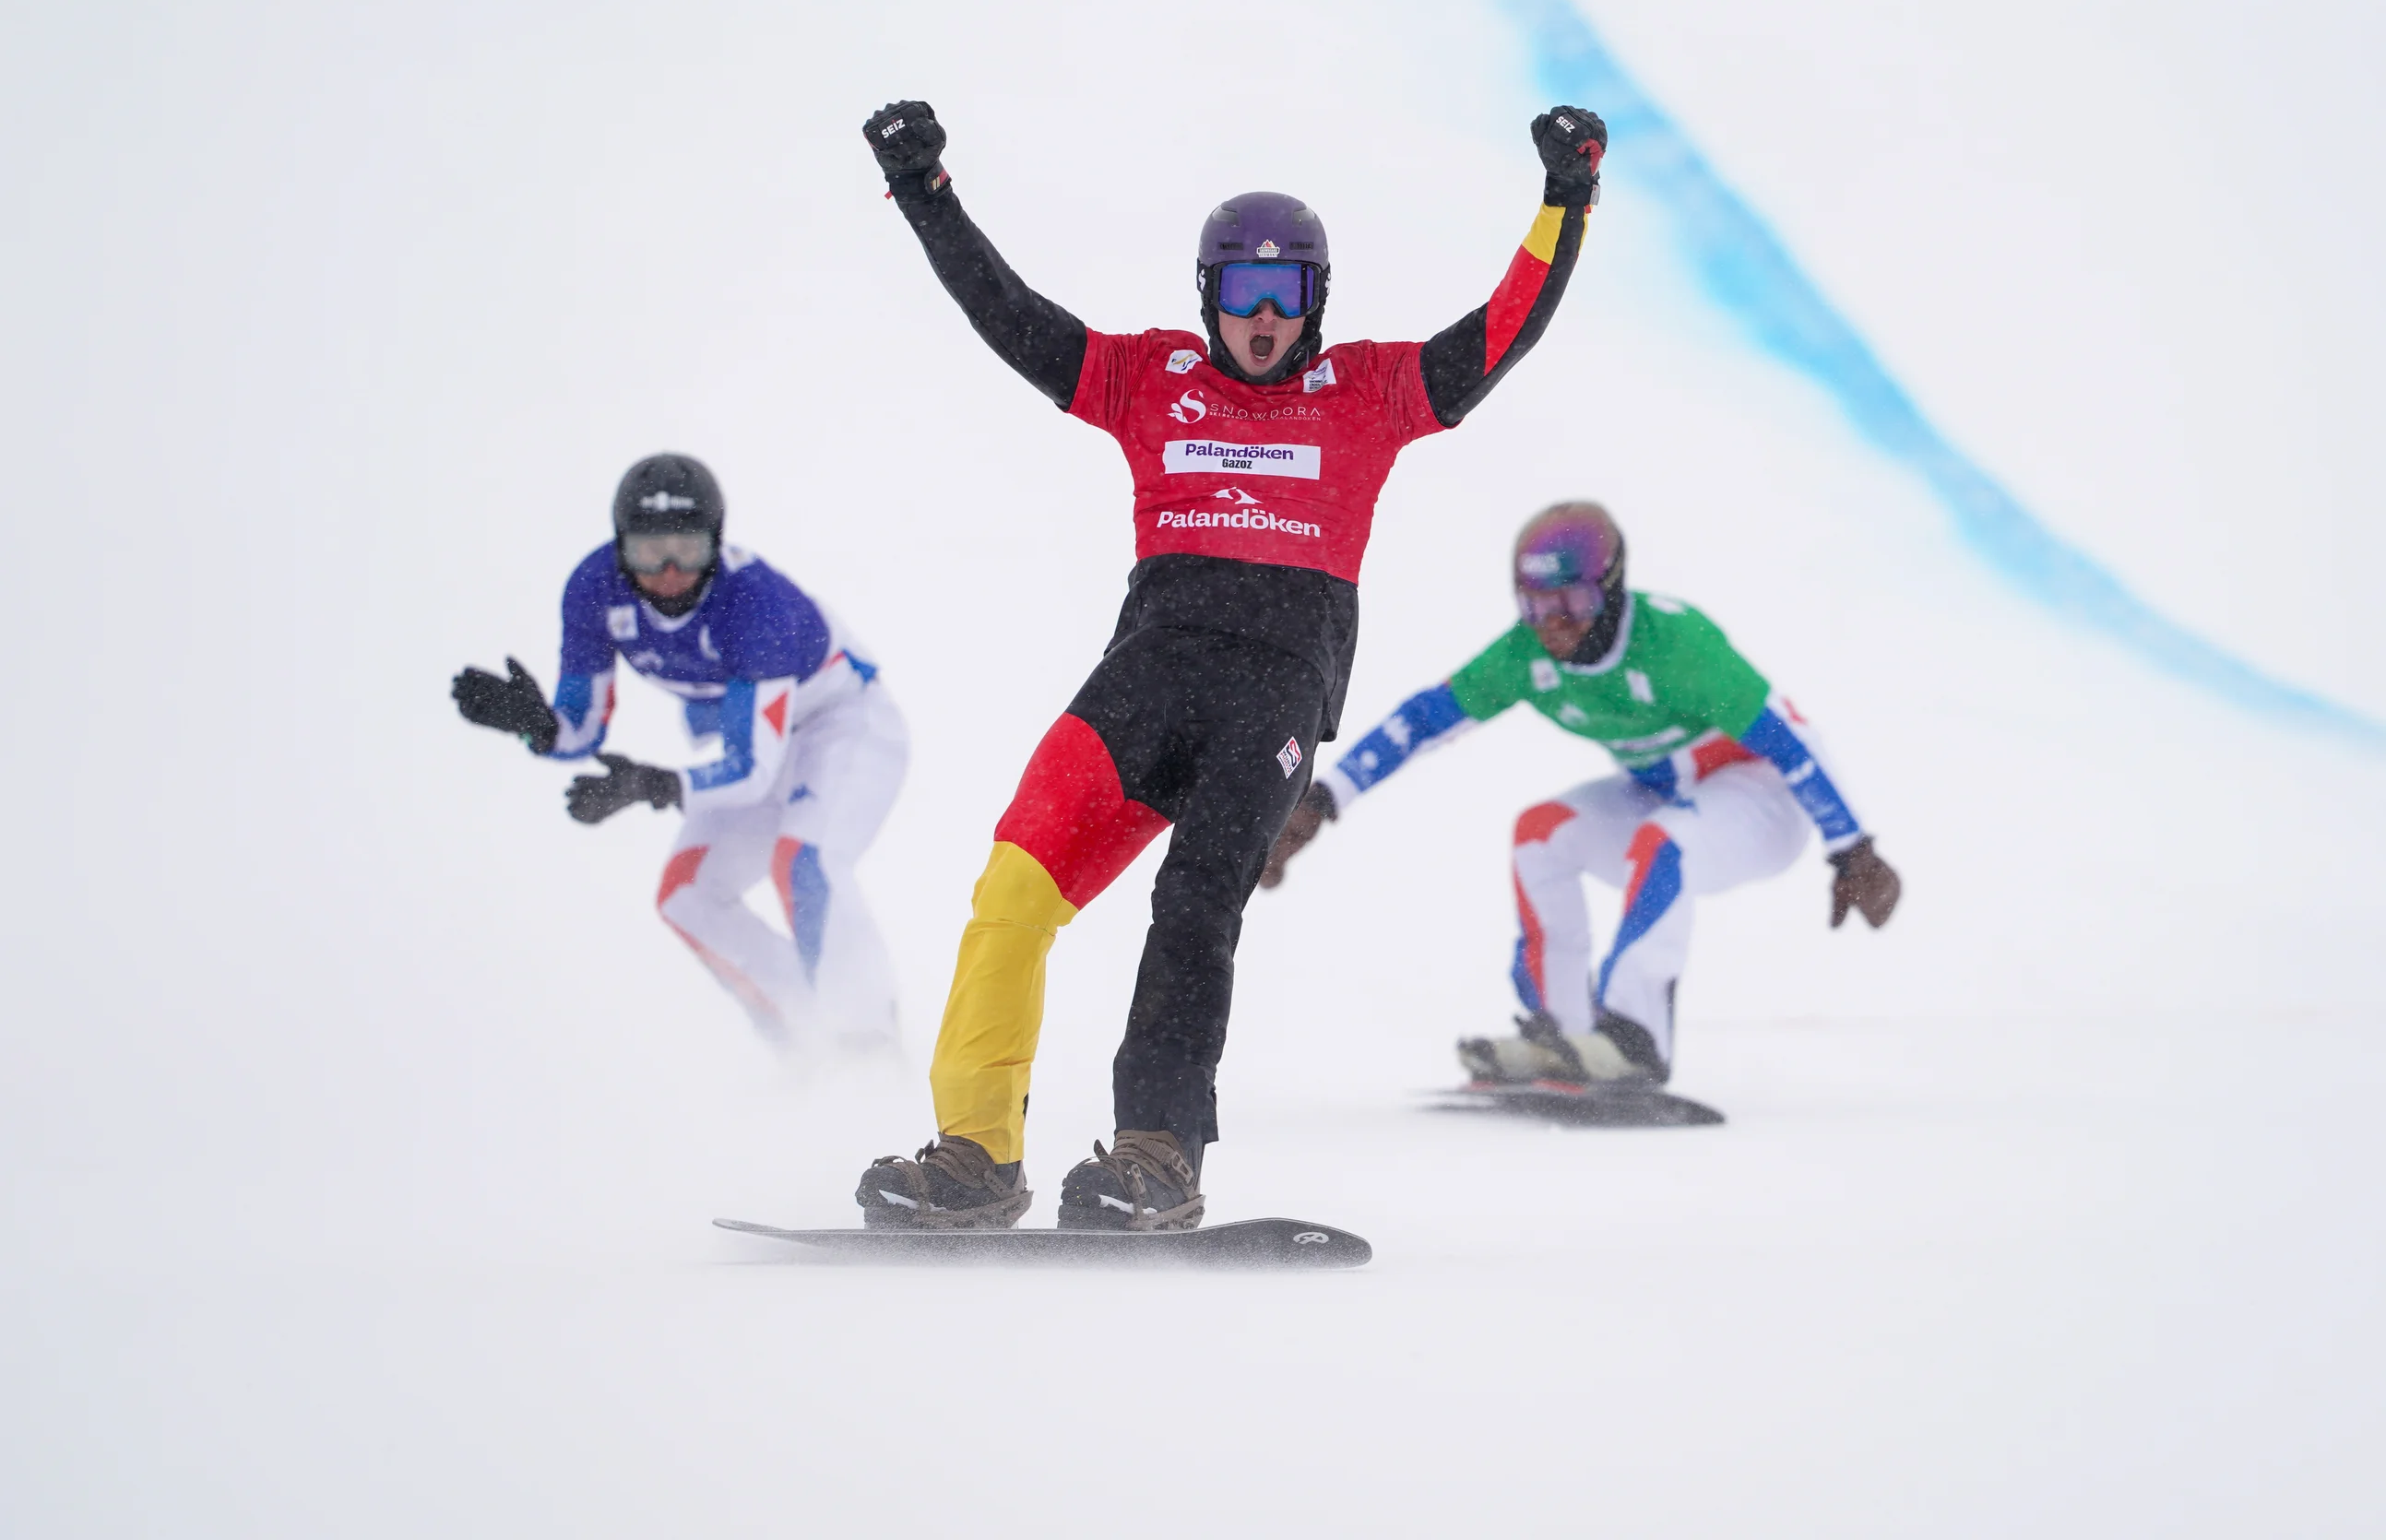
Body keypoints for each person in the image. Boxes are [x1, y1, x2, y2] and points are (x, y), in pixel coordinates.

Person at [850, 96, 1607, 1230]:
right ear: (1207, 300)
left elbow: (1501, 329)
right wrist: (925, 190)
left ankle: (1158, 1153)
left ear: (1316, 303)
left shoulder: (1371, 392)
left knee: (1194, 904)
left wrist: (1566, 197)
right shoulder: (1146, 379)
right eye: (1243, 295)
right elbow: (1010, 317)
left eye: (1287, 295)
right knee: (1012, 888)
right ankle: (974, 1153)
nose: (1264, 318)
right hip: (1149, 669)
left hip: (1277, 683)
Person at [1262, 502, 1902, 1084]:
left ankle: (1633, 1041)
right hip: (1661, 791)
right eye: (1536, 606)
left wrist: (1852, 847)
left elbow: (1791, 740)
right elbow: (1426, 719)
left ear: (1613, 590)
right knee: (1542, 834)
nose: (1555, 625)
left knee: (1664, 843)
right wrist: (1324, 798)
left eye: (1573, 602)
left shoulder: (1676, 644)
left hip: (1760, 802)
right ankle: (1561, 1032)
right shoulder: (1524, 656)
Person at [451, 454, 908, 1054]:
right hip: (764, 742)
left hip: (844, 725)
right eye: (648, 552)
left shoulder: (755, 606)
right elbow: (581, 728)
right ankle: (807, 1040)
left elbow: (752, 771)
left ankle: (867, 1037)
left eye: (686, 550)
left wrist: (653, 785)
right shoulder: (595, 589)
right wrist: (537, 726)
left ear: (716, 545)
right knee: (685, 895)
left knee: (804, 860)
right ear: (620, 548)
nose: (668, 573)